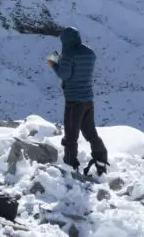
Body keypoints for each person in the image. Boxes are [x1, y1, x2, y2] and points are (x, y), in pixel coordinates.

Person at [46, 26, 108, 175]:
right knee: (90, 132)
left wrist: (53, 64)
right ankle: (101, 159)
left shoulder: (68, 53)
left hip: (74, 101)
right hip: (88, 100)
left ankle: (70, 164)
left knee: (71, 135)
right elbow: (78, 69)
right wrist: (64, 60)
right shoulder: (90, 53)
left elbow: (65, 75)